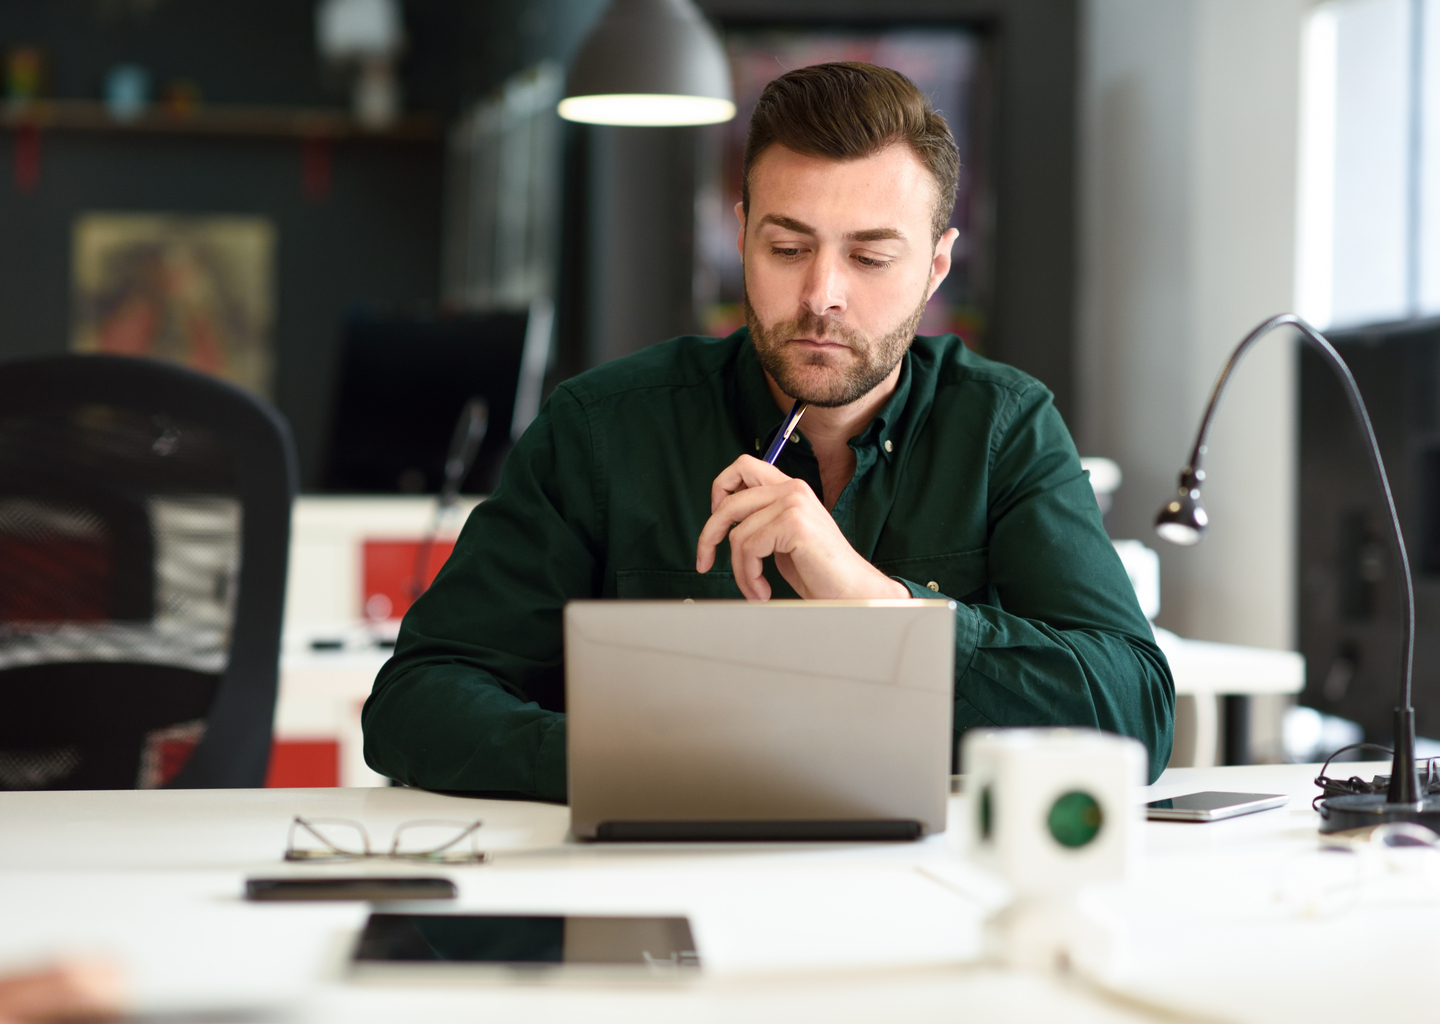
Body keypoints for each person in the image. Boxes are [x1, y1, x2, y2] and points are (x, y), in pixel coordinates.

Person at [363, 62, 1174, 796]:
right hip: (656, 906)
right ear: (744, 235)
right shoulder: (603, 428)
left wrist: (871, 600)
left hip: (924, 904)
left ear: (935, 265)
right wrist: (635, 763)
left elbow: (1134, 706)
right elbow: (417, 699)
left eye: (870, 258)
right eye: (787, 247)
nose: (822, 293)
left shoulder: (1002, 425)